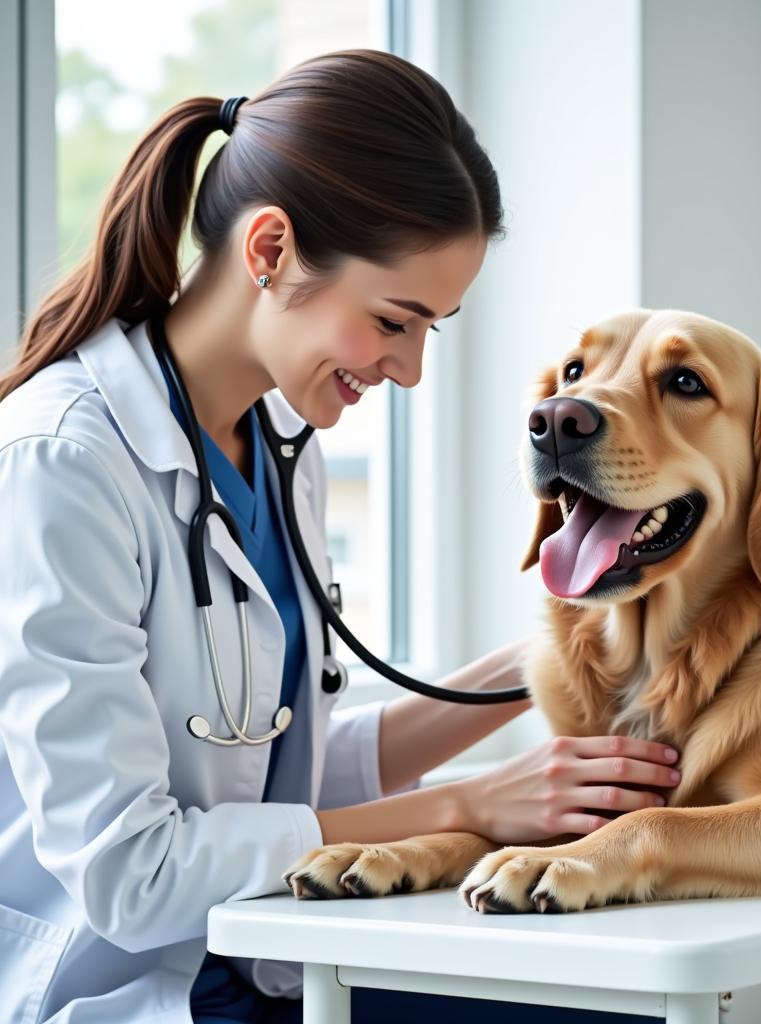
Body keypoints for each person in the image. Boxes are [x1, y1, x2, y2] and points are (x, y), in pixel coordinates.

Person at [0, 49, 681, 1023]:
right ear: (269, 250)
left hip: (271, 962)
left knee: (623, 1006)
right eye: (392, 321)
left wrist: (554, 647)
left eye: (428, 331)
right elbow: (131, 874)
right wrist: (470, 804)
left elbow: (280, 774)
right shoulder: (63, 464)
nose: (405, 370)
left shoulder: (281, 445)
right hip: (126, 992)